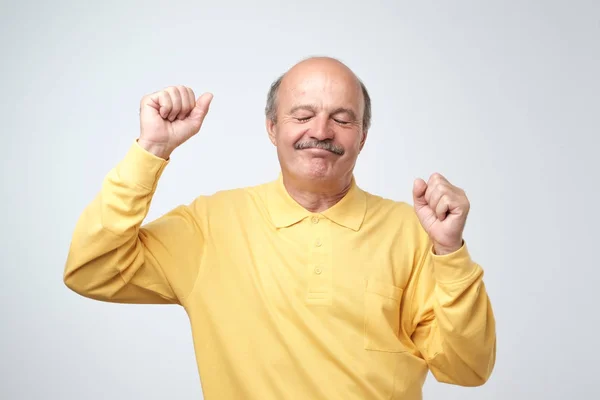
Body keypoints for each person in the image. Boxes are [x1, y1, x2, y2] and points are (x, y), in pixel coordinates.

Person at [64, 56, 496, 399]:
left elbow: (467, 368)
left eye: (343, 119)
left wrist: (451, 253)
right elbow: (91, 269)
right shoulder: (210, 226)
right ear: (272, 127)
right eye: (302, 115)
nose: (321, 131)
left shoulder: (414, 231)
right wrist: (152, 150)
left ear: (363, 136)